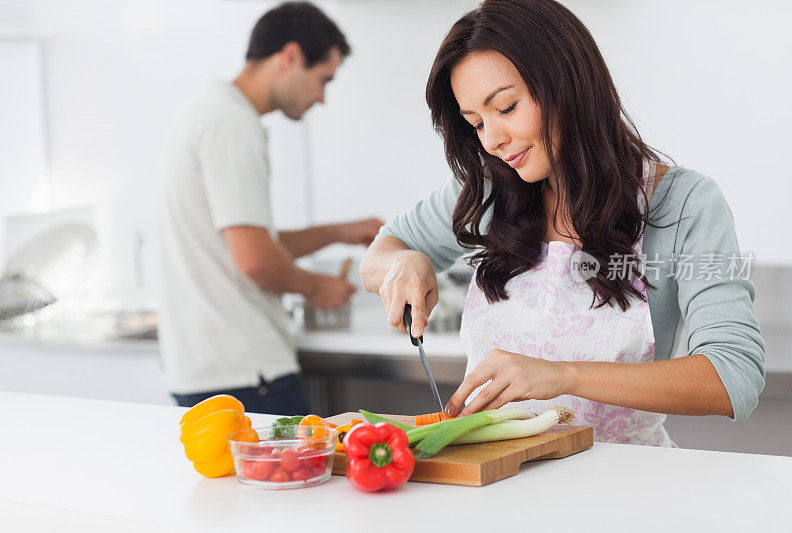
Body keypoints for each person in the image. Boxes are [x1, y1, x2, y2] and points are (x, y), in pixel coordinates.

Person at [359, 0, 765, 445]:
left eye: (507, 108)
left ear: (567, 84)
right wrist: (404, 263)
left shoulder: (683, 202)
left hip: (627, 491)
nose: (493, 140)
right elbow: (381, 252)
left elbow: (734, 378)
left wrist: (563, 376)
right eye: (475, 123)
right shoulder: (490, 193)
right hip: (499, 487)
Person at [160, 1, 382, 414]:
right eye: (323, 80)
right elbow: (256, 260)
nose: (321, 99)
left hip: (210, 370)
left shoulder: (203, 113)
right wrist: (320, 289)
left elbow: (248, 242)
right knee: (291, 479)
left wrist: (338, 232)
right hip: (245, 374)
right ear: (291, 56)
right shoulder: (232, 123)